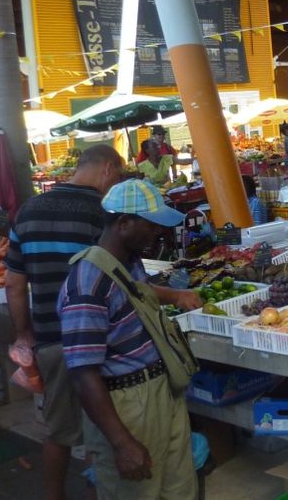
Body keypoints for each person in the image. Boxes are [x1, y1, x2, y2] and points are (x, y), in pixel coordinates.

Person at [58, 180, 201, 500]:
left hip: (161, 391)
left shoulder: (129, 263)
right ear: (123, 224)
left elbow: (142, 294)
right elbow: (83, 374)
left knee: (178, 490)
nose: (158, 234)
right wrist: (122, 443)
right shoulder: (87, 284)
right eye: (151, 226)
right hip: (126, 404)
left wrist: (176, 295)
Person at [5, 145, 125, 500]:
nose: (113, 183)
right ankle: (100, 491)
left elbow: (14, 283)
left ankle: (55, 496)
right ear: (107, 169)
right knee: (105, 425)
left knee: (58, 429)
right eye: (116, 176)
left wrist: (24, 333)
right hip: (98, 339)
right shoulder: (100, 214)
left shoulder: (26, 212)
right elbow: (117, 277)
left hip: (51, 339)